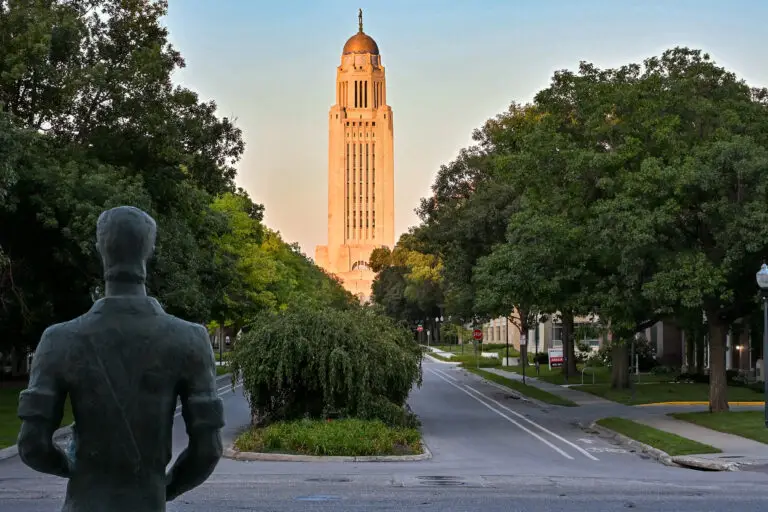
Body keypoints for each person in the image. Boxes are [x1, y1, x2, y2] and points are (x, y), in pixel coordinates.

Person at [17, 206, 225, 511]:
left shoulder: (58, 339)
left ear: (100, 248)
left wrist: (76, 470)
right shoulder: (190, 339)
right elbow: (208, 450)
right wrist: (164, 489)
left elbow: (32, 446)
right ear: (150, 250)